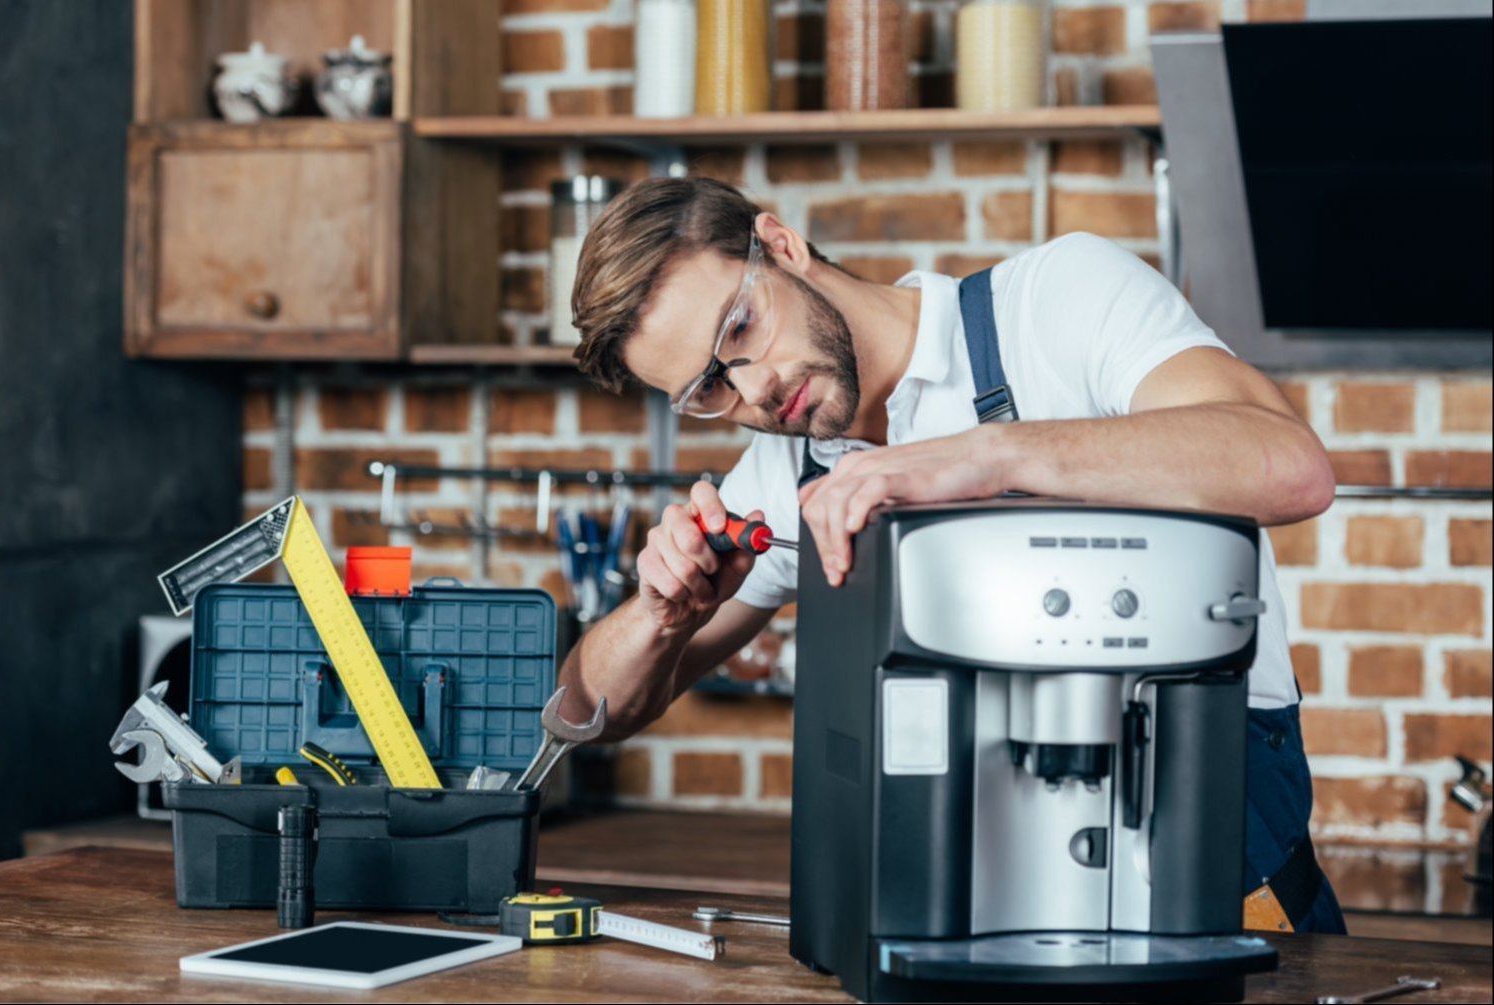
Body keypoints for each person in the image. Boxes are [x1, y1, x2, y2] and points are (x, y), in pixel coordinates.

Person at [559, 176, 1346, 933]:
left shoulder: (1055, 301)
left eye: (740, 327)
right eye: (708, 388)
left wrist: (989, 455)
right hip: (978, 902)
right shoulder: (780, 475)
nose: (756, 386)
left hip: (1205, 862)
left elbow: (1289, 467)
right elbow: (583, 714)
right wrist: (657, 615)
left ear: (780, 245)